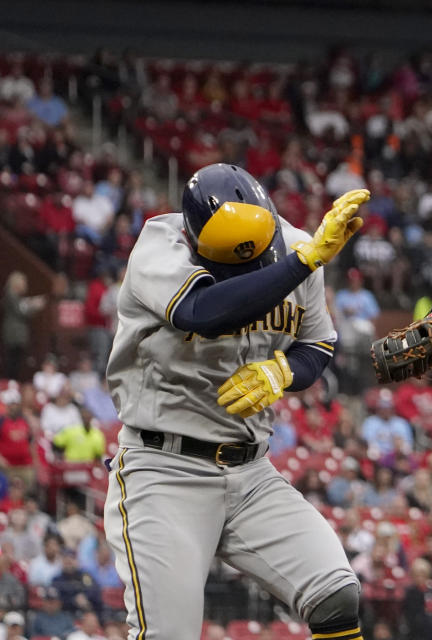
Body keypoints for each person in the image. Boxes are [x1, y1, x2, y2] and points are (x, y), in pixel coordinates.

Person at [102, 163, 370, 639]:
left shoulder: (298, 245)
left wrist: (285, 370)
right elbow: (201, 312)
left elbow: (319, 342)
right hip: (165, 471)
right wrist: (301, 262)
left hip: (251, 474)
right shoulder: (160, 247)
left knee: (336, 594)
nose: (248, 266)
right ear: (194, 237)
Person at [1, 272, 46, 381]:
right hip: (13, 335)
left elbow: (22, 306)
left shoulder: (15, 296)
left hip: (17, 335)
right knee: (12, 362)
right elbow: (21, 311)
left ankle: (12, 382)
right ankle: (9, 384)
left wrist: (30, 303)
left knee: (16, 361)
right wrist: (34, 305)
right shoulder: (10, 295)